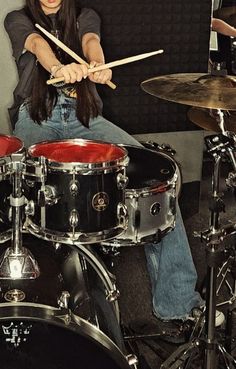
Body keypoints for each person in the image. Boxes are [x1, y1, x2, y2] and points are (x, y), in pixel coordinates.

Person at [5, 0, 216, 342]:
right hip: (37, 117)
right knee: (18, 184)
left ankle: (177, 303)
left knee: (157, 181)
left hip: (86, 117)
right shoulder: (18, 18)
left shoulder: (87, 15)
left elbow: (91, 42)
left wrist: (98, 66)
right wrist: (59, 67)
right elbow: (37, 45)